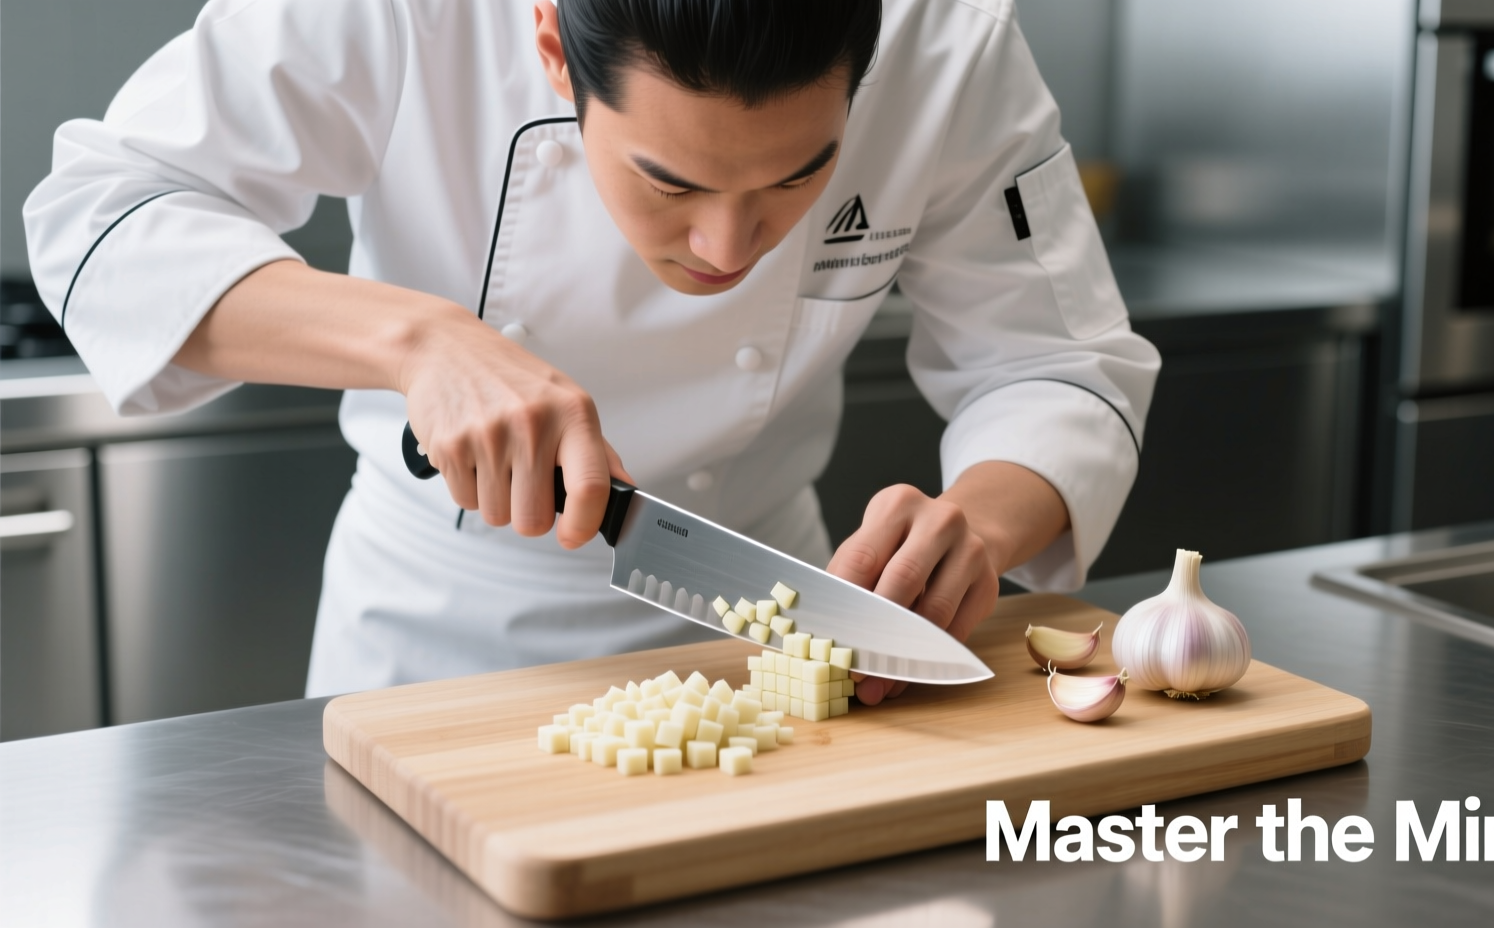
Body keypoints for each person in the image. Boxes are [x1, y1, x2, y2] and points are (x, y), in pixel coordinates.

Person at [24, 0, 1159, 704]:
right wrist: (417, 339)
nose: (728, 247)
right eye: (669, 180)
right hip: (431, 640)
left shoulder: (946, 37)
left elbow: (1058, 363)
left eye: (795, 180)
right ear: (552, 50)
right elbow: (102, 217)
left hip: (778, 627)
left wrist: (982, 523)